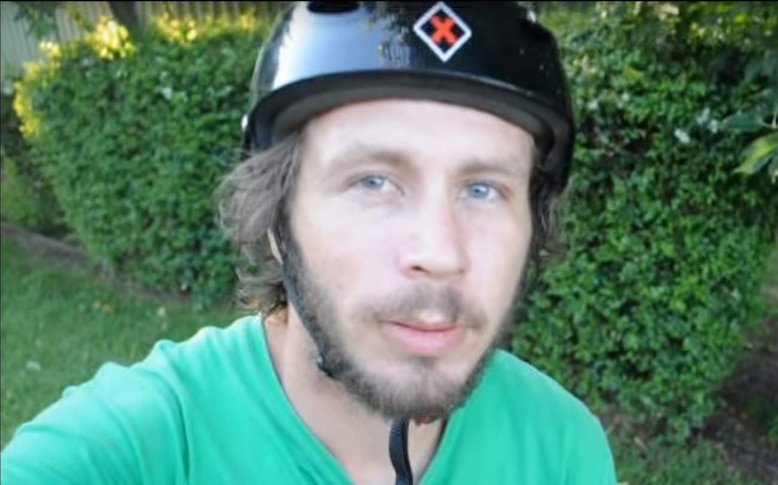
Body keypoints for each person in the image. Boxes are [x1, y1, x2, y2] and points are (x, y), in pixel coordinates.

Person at [1, 2, 617, 484]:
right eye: (374, 180)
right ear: (277, 220)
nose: (441, 252)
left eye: (483, 189)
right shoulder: (138, 446)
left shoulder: (562, 448)